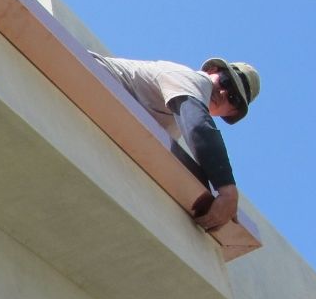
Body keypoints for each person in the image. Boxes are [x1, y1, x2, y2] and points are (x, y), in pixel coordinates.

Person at [91, 54, 260, 230]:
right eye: (226, 81)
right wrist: (228, 192)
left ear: (229, 113)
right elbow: (199, 129)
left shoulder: (179, 117)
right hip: (88, 75)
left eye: (233, 98)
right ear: (212, 71)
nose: (224, 92)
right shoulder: (192, 79)